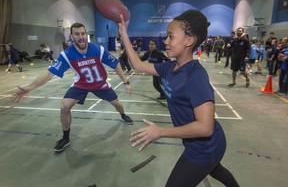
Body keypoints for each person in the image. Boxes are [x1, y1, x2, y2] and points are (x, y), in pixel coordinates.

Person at [118, 10, 239, 187]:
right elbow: (137, 64)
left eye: (170, 37)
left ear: (189, 41)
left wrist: (160, 131)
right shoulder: (169, 68)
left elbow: (205, 127)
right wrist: (123, 34)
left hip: (205, 148)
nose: (165, 42)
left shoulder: (195, 77)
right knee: (215, 170)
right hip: (198, 145)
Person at [13, 22, 133, 153]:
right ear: (71, 36)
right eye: (77, 34)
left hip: (99, 84)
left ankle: (123, 114)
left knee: (117, 104)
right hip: (81, 84)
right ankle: (65, 138)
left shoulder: (98, 50)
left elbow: (115, 64)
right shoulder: (67, 55)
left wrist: (126, 82)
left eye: (83, 33)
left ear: (86, 34)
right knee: (64, 106)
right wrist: (29, 88)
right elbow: (49, 74)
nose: (81, 37)